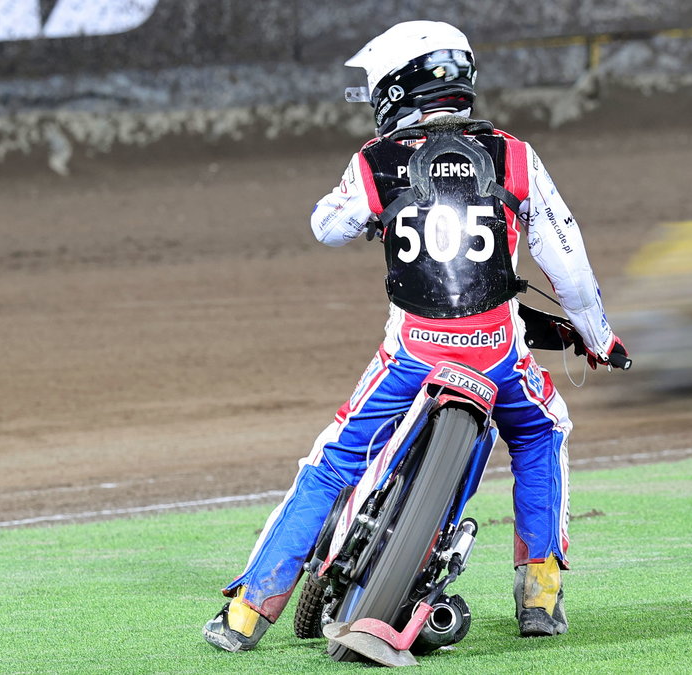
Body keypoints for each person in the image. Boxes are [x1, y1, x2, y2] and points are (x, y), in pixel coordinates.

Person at [203, 20, 628, 653]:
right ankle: (540, 594)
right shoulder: (514, 154)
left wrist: (373, 216)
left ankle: (247, 611)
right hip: (502, 356)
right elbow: (568, 261)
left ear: (396, 87)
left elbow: (327, 226)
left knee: (332, 463)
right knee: (544, 432)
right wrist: (597, 336)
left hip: (411, 356)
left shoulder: (374, 162)